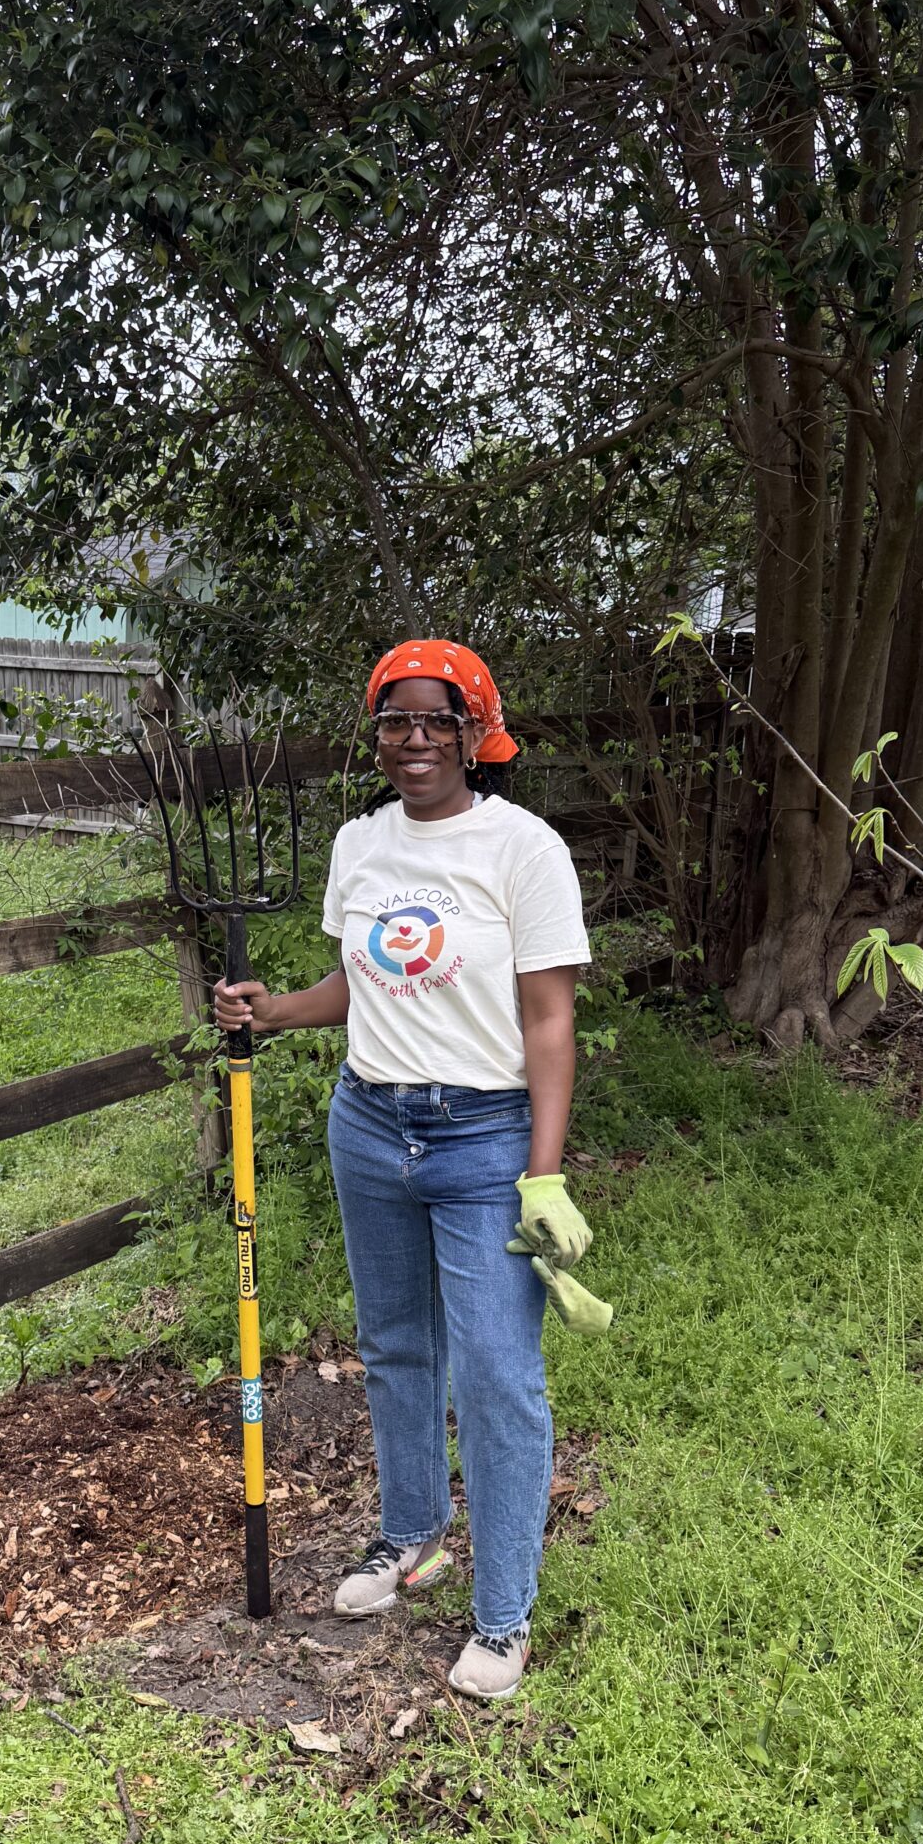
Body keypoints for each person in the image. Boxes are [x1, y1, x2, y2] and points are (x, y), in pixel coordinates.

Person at [212, 639, 594, 1699]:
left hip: (484, 1137)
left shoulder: (524, 850)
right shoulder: (359, 845)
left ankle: (504, 1611)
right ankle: (412, 1536)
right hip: (368, 1124)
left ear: (477, 732)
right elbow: (360, 980)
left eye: (437, 720)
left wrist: (543, 1174)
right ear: (375, 735)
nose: (414, 739)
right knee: (393, 1345)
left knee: (495, 1371)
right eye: (395, 721)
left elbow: (550, 1018)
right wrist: (277, 1011)